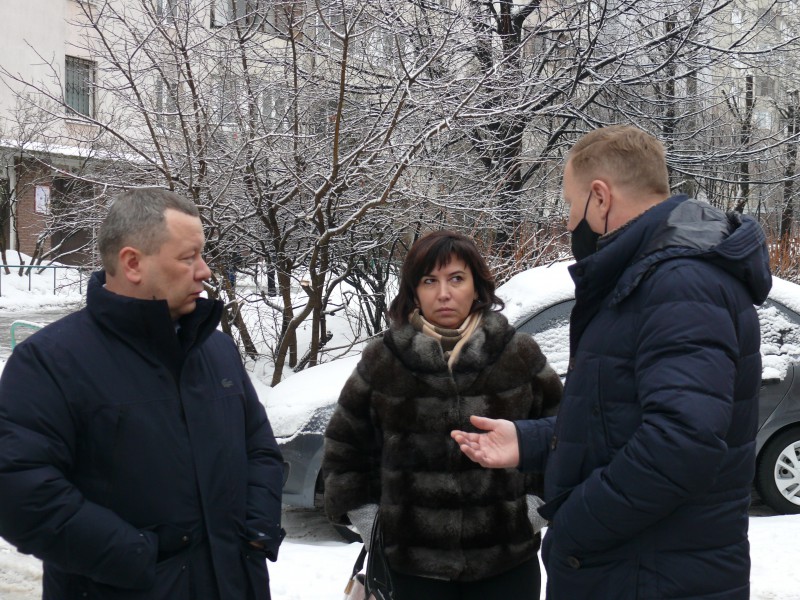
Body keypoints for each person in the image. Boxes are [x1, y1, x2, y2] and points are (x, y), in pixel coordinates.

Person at [452, 125, 772, 599]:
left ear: (600, 198)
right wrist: (530, 440)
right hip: (637, 570)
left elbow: (681, 443)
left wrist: (574, 522)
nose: (568, 223)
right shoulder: (647, 276)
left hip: (652, 577)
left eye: (570, 204)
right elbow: (620, 418)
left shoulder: (680, 282)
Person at [0, 188, 285, 600]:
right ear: (133, 263)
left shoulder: (217, 350)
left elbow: (260, 449)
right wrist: (139, 557)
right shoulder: (49, 362)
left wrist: (255, 532)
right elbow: (20, 492)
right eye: (188, 257)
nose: (205, 271)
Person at [323, 230, 562, 599]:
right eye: (429, 281)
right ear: (414, 291)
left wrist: (532, 512)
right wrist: (375, 526)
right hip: (412, 570)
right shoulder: (383, 360)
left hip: (506, 563)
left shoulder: (518, 354)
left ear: (476, 286)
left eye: (456, 279)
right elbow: (344, 449)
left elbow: (563, 436)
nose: (443, 293)